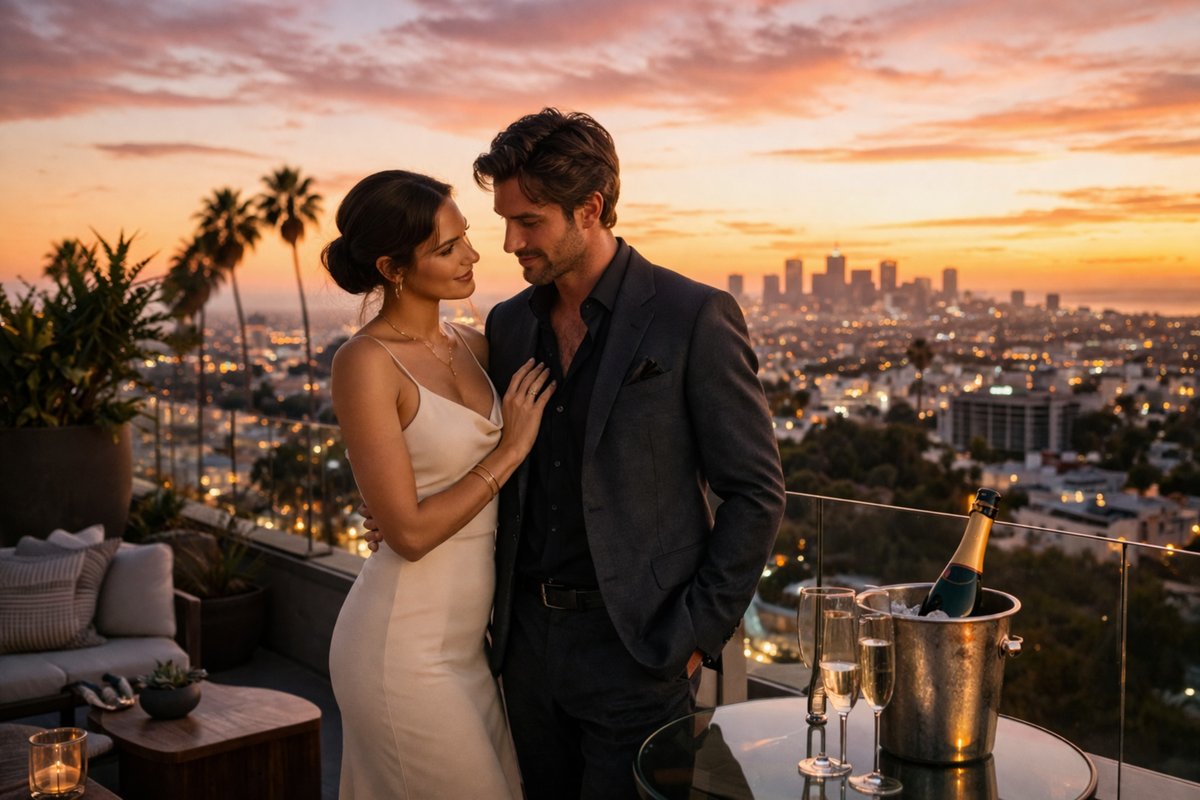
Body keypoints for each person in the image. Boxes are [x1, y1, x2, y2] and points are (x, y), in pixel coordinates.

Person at [367, 109, 785, 798]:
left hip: (639, 650)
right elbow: (463, 432)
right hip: (521, 648)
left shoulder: (692, 316)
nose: (509, 242)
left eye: (528, 222)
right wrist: (398, 502)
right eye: (504, 221)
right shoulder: (508, 325)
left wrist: (692, 636)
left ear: (589, 209)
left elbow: (756, 492)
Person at [323, 170, 554, 799]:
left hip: (471, 650)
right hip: (399, 649)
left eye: (465, 237)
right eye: (447, 248)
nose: (473, 255)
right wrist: (508, 452)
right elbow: (410, 534)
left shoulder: (479, 345)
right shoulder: (365, 362)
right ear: (392, 268)